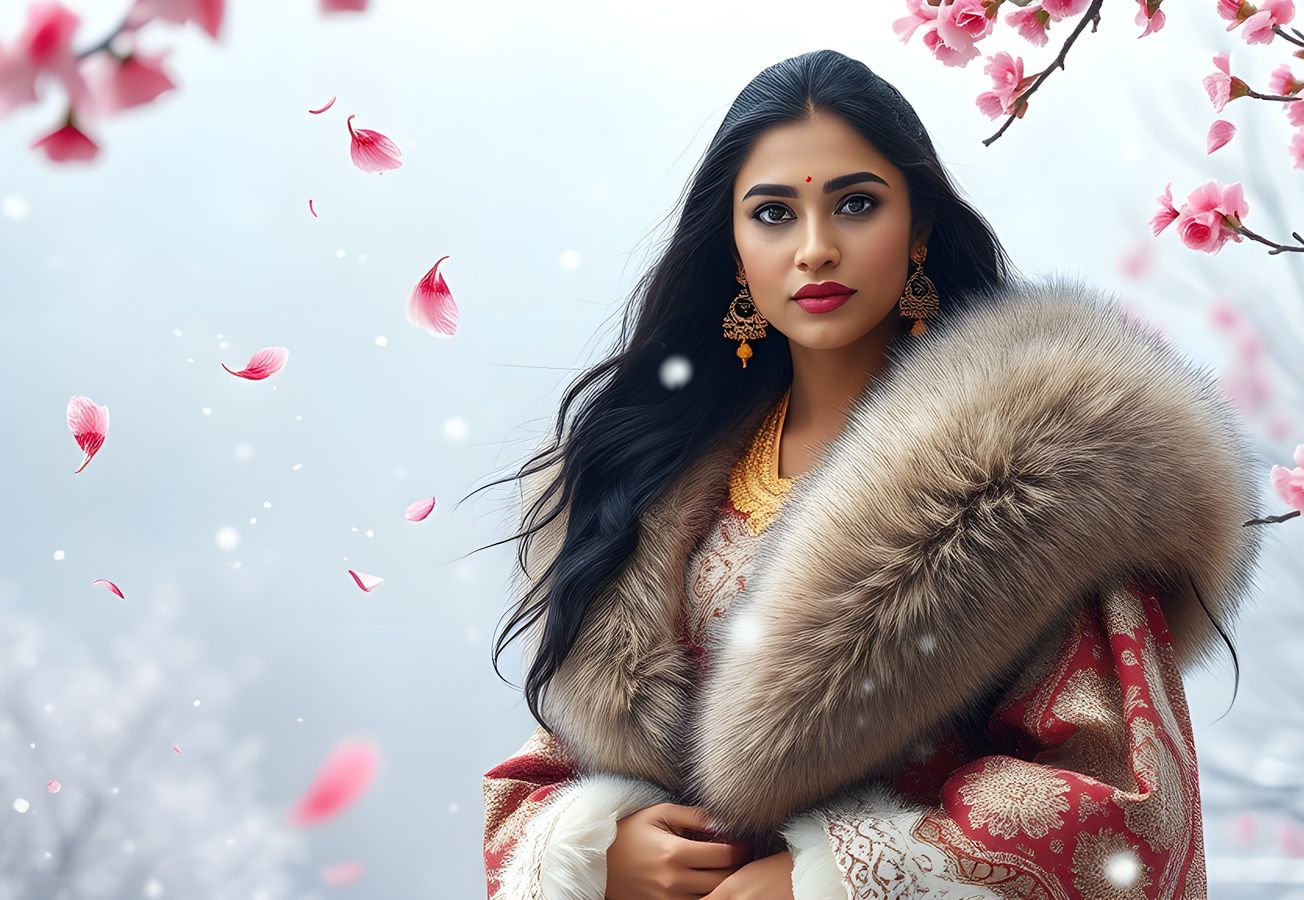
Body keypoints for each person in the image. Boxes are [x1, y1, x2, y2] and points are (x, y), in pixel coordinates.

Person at [482, 48, 1262, 900]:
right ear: (734, 252)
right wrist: (597, 849)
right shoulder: (649, 483)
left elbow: (1130, 814)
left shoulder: (1044, 478)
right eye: (774, 214)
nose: (816, 249)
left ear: (919, 228)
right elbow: (542, 776)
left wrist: (842, 879)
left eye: (856, 204)